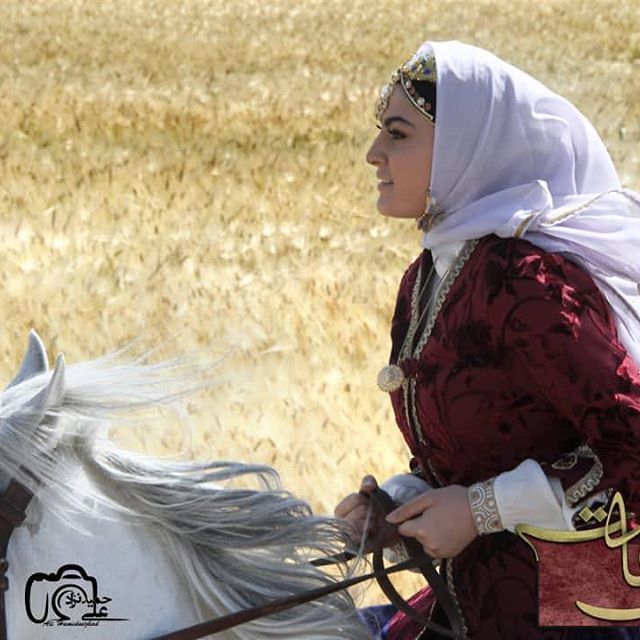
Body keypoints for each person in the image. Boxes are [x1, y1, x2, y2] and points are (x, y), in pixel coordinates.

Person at [335, 40, 640, 640]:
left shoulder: (527, 283)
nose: (374, 153)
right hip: (475, 602)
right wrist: (396, 508)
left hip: (580, 613)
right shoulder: (426, 279)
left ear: (462, 149)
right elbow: (479, 449)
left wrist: (482, 511)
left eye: (398, 134)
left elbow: (632, 443)